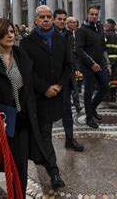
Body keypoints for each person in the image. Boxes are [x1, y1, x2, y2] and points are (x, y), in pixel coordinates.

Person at [0, 18, 48, 196]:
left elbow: (30, 84)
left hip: (21, 119)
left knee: (20, 165)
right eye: (5, 33)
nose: (9, 35)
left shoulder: (21, 56)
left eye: (12, 32)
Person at [20, 5, 72, 190]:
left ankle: (43, 158)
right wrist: (45, 89)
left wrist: (58, 85)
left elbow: (68, 65)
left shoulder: (61, 39)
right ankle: (54, 172)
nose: (46, 19)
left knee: (44, 134)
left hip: (57, 94)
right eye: (42, 17)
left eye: (49, 16)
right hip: (38, 97)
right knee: (45, 134)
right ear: (35, 20)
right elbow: (28, 71)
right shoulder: (26, 43)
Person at [53, 9, 84, 152]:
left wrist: (75, 68)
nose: (62, 22)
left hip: (65, 79)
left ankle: (69, 139)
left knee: (67, 112)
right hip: (51, 81)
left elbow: (72, 56)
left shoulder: (69, 35)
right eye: (59, 19)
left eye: (64, 19)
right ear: (54, 20)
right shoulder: (49, 34)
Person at [75, 6, 110, 129]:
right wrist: (91, 63)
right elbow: (79, 50)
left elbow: (103, 48)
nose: (94, 16)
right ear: (87, 14)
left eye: (96, 14)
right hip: (87, 66)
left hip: (100, 64)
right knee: (88, 91)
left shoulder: (99, 28)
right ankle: (89, 117)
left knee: (105, 86)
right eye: (92, 14)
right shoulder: (81, 30)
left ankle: (93, 108)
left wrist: (107, 64)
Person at [66, 16, 83, 112]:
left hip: (74, 63)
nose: (75, 24)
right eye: (72, 22)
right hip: (68, 64)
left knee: (74, 85)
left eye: (76, 22)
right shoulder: (66, 35)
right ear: (67, 24)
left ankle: (77, 104)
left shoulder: (75, 34)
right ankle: (68, 104)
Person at [104, 19, 117, 102]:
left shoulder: (105, 34)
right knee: (114, 78)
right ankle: (113, 96)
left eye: (106, 24)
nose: (105, 25)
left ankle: (106, 96)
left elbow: (102, 46)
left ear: (109, 25)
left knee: (106, 78)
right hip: (116, 59)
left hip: (107, 59)